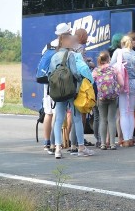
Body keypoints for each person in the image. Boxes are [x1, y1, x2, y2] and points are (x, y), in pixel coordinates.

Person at [49, 32, 95, 158]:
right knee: (77, 119)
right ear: (66, 42)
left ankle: (58, 148)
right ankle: (81, 147)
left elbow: (51, 73)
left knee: (59, 119)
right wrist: (81, 81)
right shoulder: (71, 55)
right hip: (71, 91)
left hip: (58, 91)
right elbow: (75, 72)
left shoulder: (54, 56)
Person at [41, 22, 71, 155]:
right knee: (58, 113)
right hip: (61, 84)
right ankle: (55, 143)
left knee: (48, 113)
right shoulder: (65, 47)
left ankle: (47, 143)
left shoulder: (47, 46)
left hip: (48, 83)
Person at [113, 34, 135, 147]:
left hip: (123, 83)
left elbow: (111, 66)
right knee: (131, 112)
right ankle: (130, 138)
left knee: (123, 112)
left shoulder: (118, 52)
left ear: (122, 43)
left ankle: (126, 139)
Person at [92, 51, 119, 150]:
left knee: (103, 119)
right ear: (108, 59)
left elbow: (91, 82)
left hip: (101, 97)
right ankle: (112, 144)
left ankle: (103, 143)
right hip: (113, 96)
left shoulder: (96, 70)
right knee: (111, 119)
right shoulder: (113, 69)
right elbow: (121, 82)